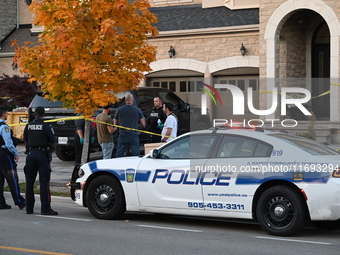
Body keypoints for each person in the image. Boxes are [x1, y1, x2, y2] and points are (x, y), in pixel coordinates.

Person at [24, 106, 57, 215]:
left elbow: (25, 140)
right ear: (43, 114)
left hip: (30, 155)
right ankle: (45, 209)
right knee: (44, 182)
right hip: (42, 155)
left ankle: (29, 208)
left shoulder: (28, 126)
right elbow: (52, 143)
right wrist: (51, 149)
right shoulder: (46, 126)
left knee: (29, 183)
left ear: (35, 114)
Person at [0, 106, 25, 210]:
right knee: (12, 178)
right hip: (5, 155)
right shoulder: (4, 127)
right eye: (6, 113)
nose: (7, 115)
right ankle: (19, 201)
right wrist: (15, 153)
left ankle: (1, 203)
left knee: (0, 180)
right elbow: (9, 143)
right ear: (3, 114)